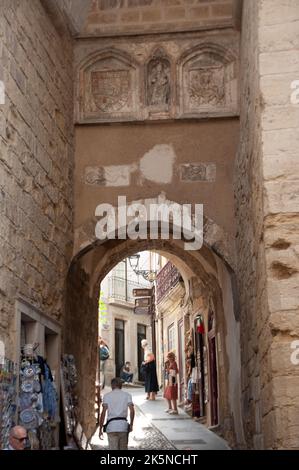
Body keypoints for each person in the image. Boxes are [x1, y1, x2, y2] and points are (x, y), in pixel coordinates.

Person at [99, 377, 134, 450]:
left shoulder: (107, 396)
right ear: (121, 386)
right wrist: (131, 425)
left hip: (111, 427)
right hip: (123, 427)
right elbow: (132, 411)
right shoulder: (127, 395)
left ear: (112, 386)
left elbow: (103, 413)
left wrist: (100, 429)